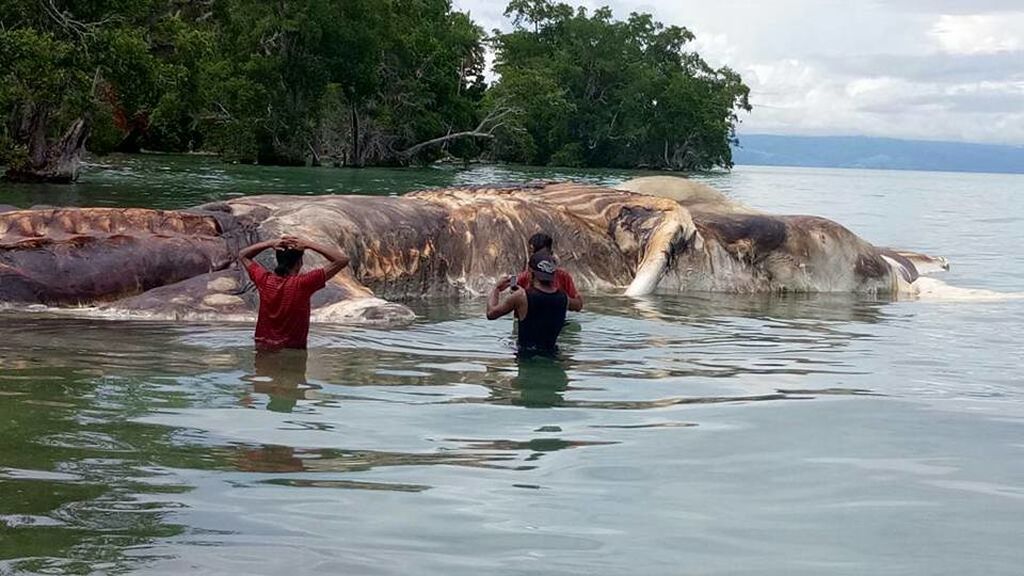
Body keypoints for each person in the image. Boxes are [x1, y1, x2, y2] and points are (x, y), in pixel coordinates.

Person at [239, 235, 349, 350]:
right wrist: (308, 244)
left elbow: (243, 255)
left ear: (278, 261)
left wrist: (270, 243)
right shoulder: (304, 283)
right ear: (299, 263)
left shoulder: (264, 280)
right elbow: (342, 260)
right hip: (293, 351)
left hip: (263, 349)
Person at [487, 252, 568, 355]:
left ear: (530, 272)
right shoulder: (564, 298)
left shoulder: (521, 297)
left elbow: (491, 313)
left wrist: (496, 288)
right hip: (552, 355)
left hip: (526, 358)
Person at [515, 232, 583, 311]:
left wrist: (559, 300)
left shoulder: (563, 276)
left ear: (551, 254)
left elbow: (578, 305)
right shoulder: (523, 278)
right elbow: (515, 311)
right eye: (532, 254)